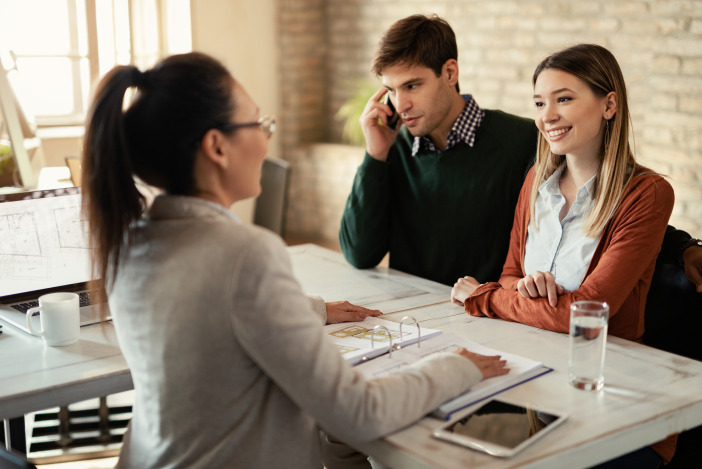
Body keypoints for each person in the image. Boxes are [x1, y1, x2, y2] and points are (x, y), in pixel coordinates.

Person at [80, 52, 508, 469]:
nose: (266, 137)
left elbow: (204, 312)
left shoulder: (128, 242)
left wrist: (313, 309)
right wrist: (458, 367)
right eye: (258, 122)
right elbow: (358, 411)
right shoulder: (245, 253)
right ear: (217, 147)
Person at [339, 13, 702, 292]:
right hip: (415, 316)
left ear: (450, 72)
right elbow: (360, 253)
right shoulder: (394, 147)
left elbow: (597, 205)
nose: (400, 104)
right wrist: (375, 157)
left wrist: (682, 247)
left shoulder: (524, 140)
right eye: (390, 89)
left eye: (412, 85)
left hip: (497, 317)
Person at [451, 44, 676, 468]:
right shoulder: (537, 179)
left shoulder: (647, 194)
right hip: (536, 386)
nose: (546, 116)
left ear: (609, 104)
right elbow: (510, 274)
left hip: (618, 407)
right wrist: (521, 288)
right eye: (539, 102)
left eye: (564, 98)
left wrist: (484, 298)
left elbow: (587, 316)